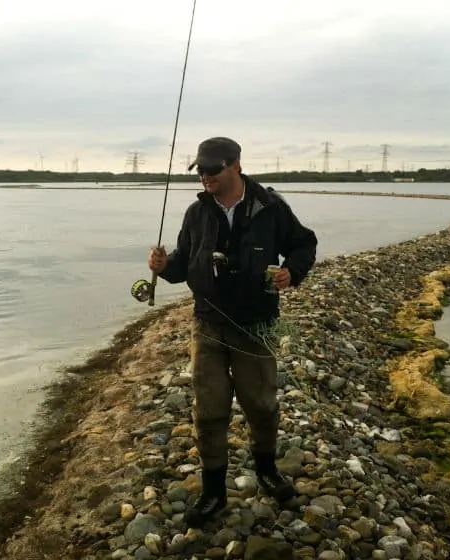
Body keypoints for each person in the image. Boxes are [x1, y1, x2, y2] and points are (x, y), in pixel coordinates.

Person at [147, 136, 318, 528]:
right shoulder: (197, 214)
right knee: (209, 410)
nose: (206, 176)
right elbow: (182, 265)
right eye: (201, 170)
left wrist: (293, 271)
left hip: (256, 326)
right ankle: (213, 491)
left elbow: (304, 243)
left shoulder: (271, 208)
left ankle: (267, 470)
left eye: (213, 169)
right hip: (207, 324)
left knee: (260, 404)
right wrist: (162, 266)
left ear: (235, 165)